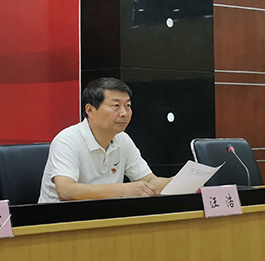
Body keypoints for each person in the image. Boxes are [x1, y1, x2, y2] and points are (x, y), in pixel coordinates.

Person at [38, 77, 171, 203]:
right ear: (90, 110)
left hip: (106, 214)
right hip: (60, 217)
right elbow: (66, 191)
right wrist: (123, 190)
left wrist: (180, 181)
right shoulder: (67, 140)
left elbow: (150, 181)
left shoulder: (123, 139)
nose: (124, 113)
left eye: (128, 105)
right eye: (116, 105)